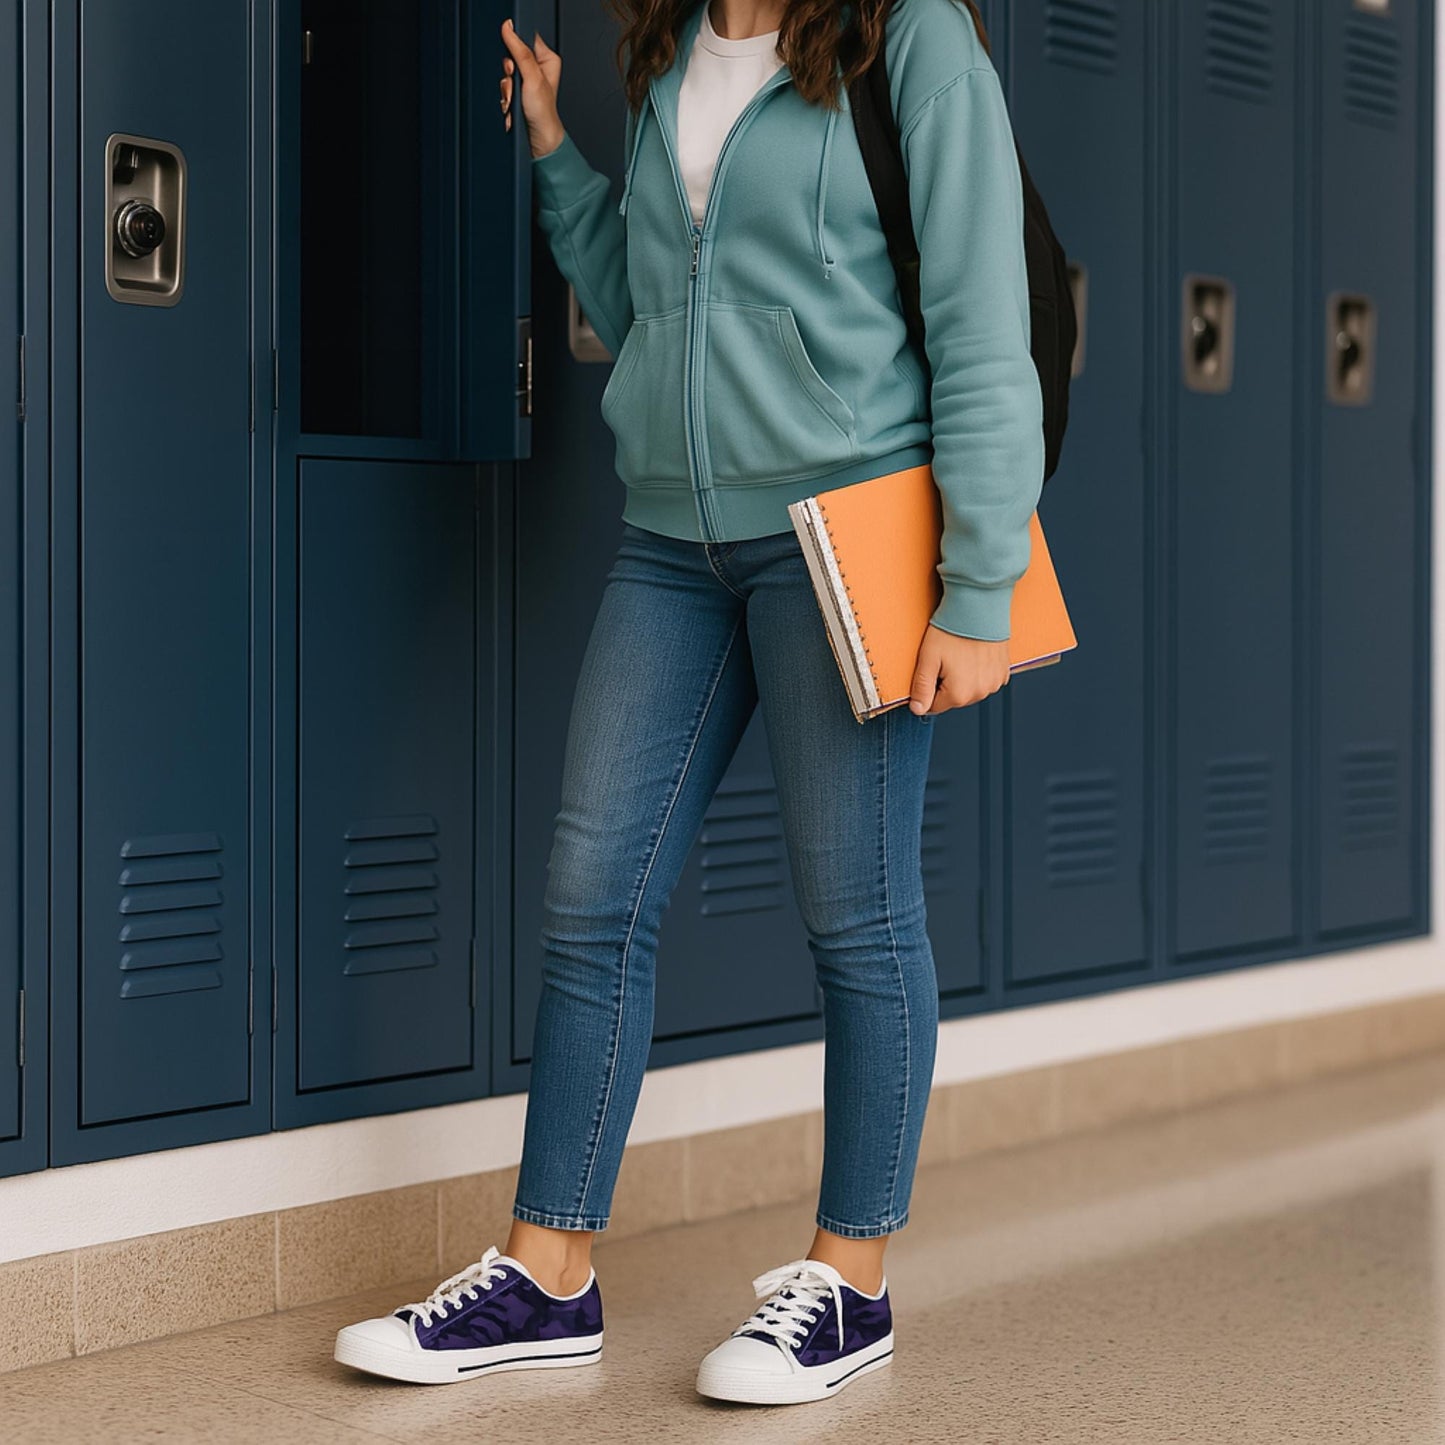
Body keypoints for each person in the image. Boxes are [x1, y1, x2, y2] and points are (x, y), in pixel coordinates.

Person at [334, 0, 1043, 1406]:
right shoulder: (665, 53)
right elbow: (645, 292)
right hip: (672, 538)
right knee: (592, 897)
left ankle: (848, 1282)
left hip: (843, 535)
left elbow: (977, 317)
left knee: (857, 913)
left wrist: (980, 585)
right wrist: (550, 145)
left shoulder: (912, 44)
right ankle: (548, 1274)